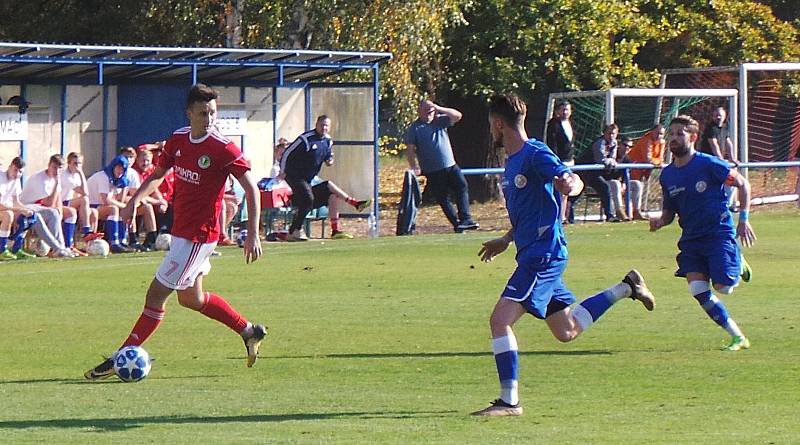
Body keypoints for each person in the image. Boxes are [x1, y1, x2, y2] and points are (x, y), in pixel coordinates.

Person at [471, 94, 655, 417]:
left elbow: (571, 179)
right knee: (566, 330)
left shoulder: (534, 153)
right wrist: (506, 239)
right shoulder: (513, 161)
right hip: (534, 253)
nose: (490, 131)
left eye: (490, 125)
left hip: (543, 256)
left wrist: (572, 184)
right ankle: (627, 286)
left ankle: (509, 402)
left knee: (499, 321)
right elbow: (530, 210)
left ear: (498, 124)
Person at [85, 83, 267, 380]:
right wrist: (133, 202)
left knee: (156, 295)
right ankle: (249, 331)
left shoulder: (223, 148)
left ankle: (121, 355)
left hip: (199, 236)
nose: (208, 119)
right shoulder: (178, 140)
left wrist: (253, 233)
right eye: (202, 113)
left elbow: (252, 189)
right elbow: (157, 175)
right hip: (183, 232)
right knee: (192, 299)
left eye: (212, 113)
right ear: (189, 113)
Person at [650, 115, 755, 352]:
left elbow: (743, 185)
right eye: (672, 134)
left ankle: (737, 261)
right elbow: (669, 213)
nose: (674, 139)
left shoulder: (708, 164)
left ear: (693, 137)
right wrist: (659, 222)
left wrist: (744, 220)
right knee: (697, 290)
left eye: (679, 134)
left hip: (718, 233)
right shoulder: (667, 175)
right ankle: (738, 337)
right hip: (691, 239)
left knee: (724, 288)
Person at [279, 115, 371, 241]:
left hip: (307, 181)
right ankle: (295, 231)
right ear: (316, 124)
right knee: (308, 199)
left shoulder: (328, 141)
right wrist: (282, 171)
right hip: (294, 176)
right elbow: (287, 153)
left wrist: (329, 160)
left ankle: (336, 229)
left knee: (331, 194)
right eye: (322, 125)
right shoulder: (306, 139)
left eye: (326, 125)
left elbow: (328, 156)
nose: (324, 128)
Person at [405, 100, 479, 233]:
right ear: (419, 111)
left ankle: (466, 219)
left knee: (462, 187)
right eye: (426, 110)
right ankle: (457, 224)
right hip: (433, 170)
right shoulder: (415, 128)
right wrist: (414, 166)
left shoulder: (440, 121)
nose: (429, 113)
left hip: (450, 164)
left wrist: (439, 108)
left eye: (431, 111)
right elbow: (410, 150)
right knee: (443, 197)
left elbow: (458, 116)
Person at [0, 157, 74, 259]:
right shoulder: (1, 178)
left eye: (20, 172)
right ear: (9, 167)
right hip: (7, 209)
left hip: (17, 208)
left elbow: (16, 202)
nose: (17, 174)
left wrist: (25, 210)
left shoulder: (16, 180)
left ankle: (61, 248)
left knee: (52, 213)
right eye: (15, 170)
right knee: (33, 216)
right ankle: (3, 250)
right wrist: (22, 210)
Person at [19, 154, 83, 255]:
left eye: (60, 169)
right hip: (25, 207)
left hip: (39, 208)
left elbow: (57, 202)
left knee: (58, 213)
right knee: (41, 215)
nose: (56, 171)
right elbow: (49, 203)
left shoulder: (56, 179)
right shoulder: (39, 179)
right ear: (48, 165)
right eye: (54, 167)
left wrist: (59, 215)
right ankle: (58, 249)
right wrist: (57, 183)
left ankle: (63, 247)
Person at [86, 156, 137, 254]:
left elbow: (119, 200)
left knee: (121, 209)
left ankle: (122, 241)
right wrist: (126, 207)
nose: (120, 171)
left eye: (123, 169)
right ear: (113, 166)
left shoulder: (117, 179)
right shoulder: (103, 176)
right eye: (118, 167)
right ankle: (114, 243)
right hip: (91, 205)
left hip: (101, 206)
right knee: (114, 209)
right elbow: (106, 200)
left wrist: (124, 187)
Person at [579, 123, 621, 222]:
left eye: (613, 134)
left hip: (595, 172)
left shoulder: (614, 143)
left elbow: (612, 158)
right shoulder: (599, 142)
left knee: (605, 187)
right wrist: (610, 161)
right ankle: (568, 216)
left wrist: (611, 160)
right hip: (585, 170)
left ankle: (609, 215)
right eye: (609, 133)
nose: (611, 136)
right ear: (604, 133)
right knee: (577, 193)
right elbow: (601, 160)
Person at [700, 107, 738, 209]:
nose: (718, 117)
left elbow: (728, 142)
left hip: (717, 162)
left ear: (724, 116)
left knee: (732, 180)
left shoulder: (725, 127)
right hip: (708, 162)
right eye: (716, 115)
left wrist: (732, 158)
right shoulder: (711, 128)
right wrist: (720, 160)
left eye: (720, 115)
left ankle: (726, 205)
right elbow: (714, 144)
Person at [546, 101, 577, 223]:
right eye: (563, 109)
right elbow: (552, 144)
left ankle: (564, 216)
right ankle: (558, 216)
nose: (565, 112)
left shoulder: (571, 124)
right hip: (560, 162)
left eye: (567, 110)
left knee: (568, 190)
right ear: (557, 111)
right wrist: (556, 162)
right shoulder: (553, 124)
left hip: (570, 161)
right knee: (560, 189)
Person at [61, 152, 101, 242]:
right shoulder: (65, 176)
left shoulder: (76, 175)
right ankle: (86, 229)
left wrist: (80, 174)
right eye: (75, 163)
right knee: (84, 200)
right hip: (62, 202)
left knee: (94, 212)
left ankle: (91, 241)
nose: (77, 166)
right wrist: (81, 173)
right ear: (69, 163)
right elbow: (85, 193)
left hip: (72, 202)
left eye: (79, 163)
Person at [627, 125, 666, 219]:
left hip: (645, 169)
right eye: (657, 133)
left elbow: (660, 159)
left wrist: (657, 162)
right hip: (634, 166)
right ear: (652, 132)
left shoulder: (662, 142)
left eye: (661, 134)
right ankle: (632, 212)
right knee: (634, 188)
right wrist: (657, 162)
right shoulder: (646, 140)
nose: (659, 136)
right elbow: (647, 159)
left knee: (642, 188)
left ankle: (638, 211)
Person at [607, 136, 645, 221]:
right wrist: (621, 183)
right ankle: (619, 212)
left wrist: (624, 183)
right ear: (619, 144)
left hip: (618, 183)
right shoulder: (611, 154)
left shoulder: (627, 159)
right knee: (616, 184)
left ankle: (636, 212)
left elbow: (625, 174)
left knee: (637, 184)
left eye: (630, 147)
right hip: (606, 183)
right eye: (625, 145)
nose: (627, 148)